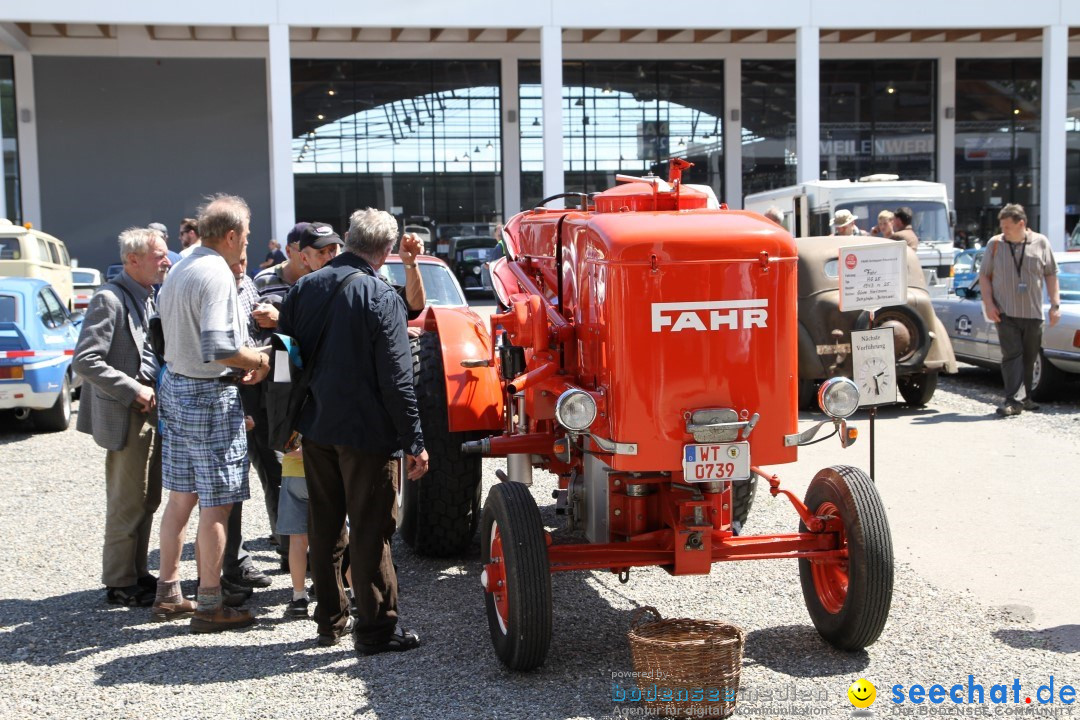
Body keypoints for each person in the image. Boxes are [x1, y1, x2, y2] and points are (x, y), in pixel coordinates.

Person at [278, 208, 428, 654]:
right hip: (365, 433)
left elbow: (286, 363)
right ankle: (378, 629)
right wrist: (415, 440)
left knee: (324, 524)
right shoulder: (379, 294)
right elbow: (397, 378)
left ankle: (329, 620)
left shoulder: (303, 287)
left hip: (317, 426)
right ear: (385, 252)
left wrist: (288, 424)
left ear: (346, 239)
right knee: (370, 528)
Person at [151, 194, 270, 632]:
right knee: (217, 506)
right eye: (247, 238)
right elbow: (218, 347)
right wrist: (259, 361)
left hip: (177, 386)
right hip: (207, 393)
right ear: (233, 234)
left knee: (182, 495)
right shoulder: (217, 272)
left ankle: (168, 592)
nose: (247, 247)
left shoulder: (181, 265)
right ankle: (209, 603)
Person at [73, 227, 171, 607]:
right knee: (127, 501)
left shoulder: (147, 296)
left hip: (149, 414)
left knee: (147, 499)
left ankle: (136, 573)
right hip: (128, 413)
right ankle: (118, 582)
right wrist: (133, 389)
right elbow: (85, 360)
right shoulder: (109, 299)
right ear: (133, 260)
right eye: (159, 255)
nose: (166, 261)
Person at [977, 203, 1061, 417]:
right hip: (1004, 311)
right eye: (1001, 226)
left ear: (1021, 224)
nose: (1002, 230)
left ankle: (1026, 397)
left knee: (1030, 357)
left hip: (1033, 312)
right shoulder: (995, 244)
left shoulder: (1041, 242)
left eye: (1006, 226)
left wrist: (1055, 304)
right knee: (1012, 355)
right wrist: (988, 303)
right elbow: (984, 276)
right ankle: (1012, 400)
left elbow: (1051, 274)